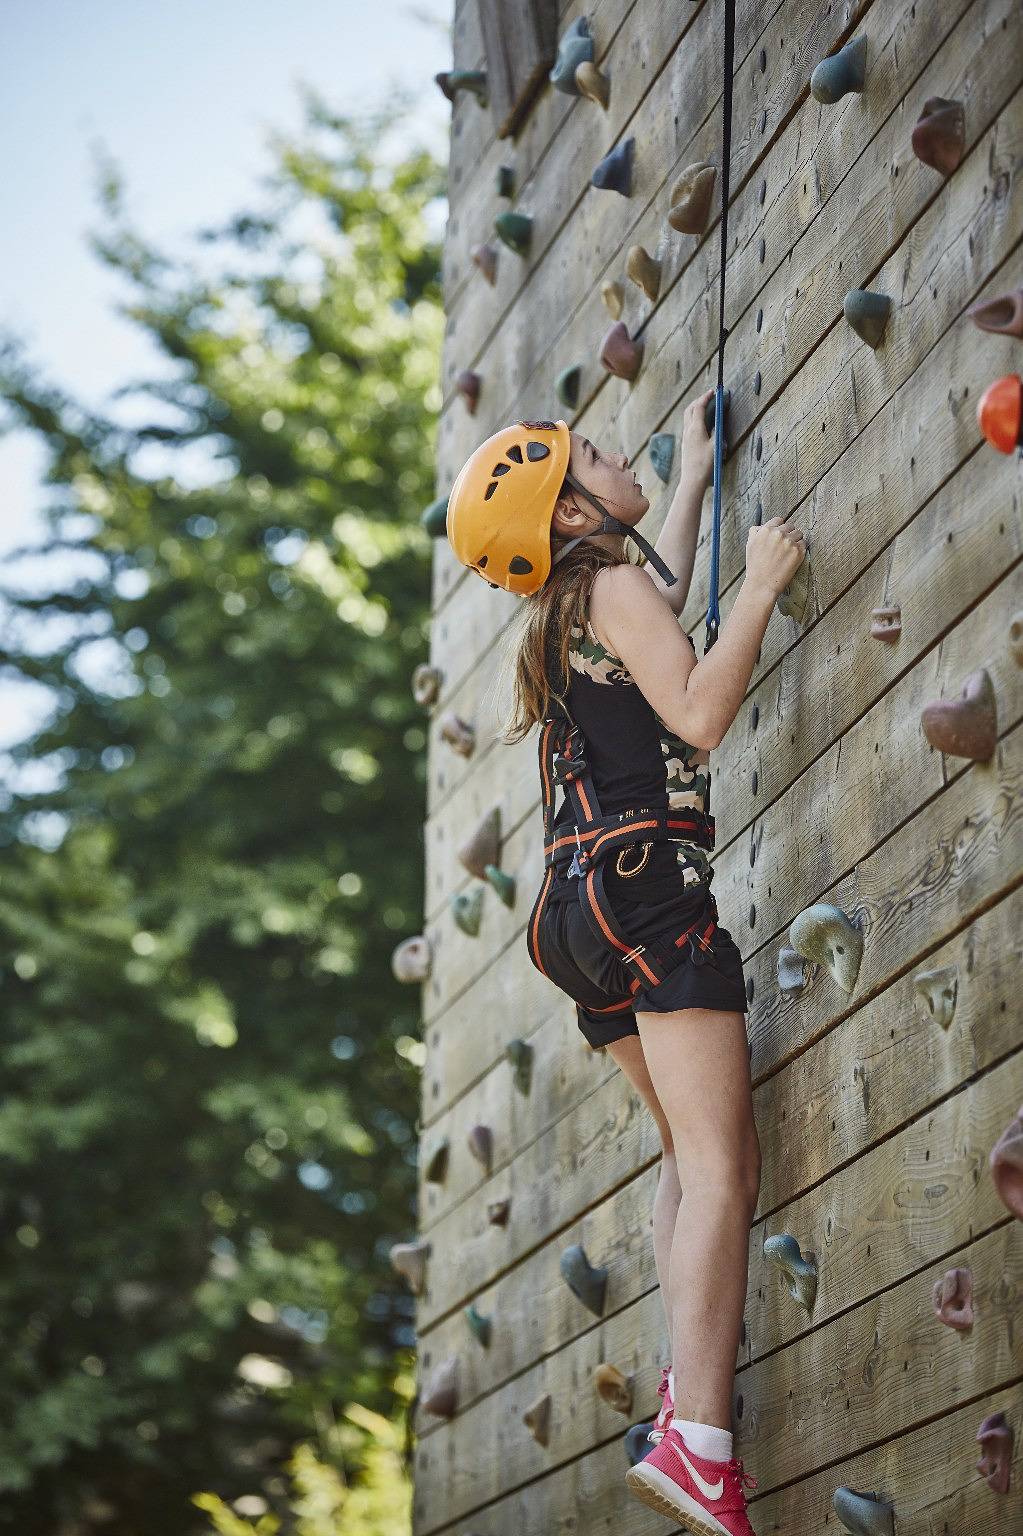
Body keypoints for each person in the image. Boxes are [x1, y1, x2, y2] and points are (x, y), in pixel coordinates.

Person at [445, 397, 805, 1536]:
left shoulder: (567, 609)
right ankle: (698, 1438)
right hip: (648, 896)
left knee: (694, 1162)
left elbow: (657, 629)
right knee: (723, 1170)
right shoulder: (607, 586)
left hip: (575, 920)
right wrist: (758, 584)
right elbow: (695, 711)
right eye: (593, 457)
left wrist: (695, 475)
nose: (616, 455)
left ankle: (678, 1411)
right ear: (572, 512)